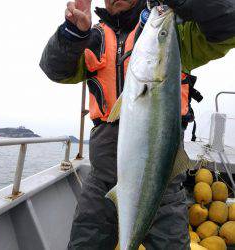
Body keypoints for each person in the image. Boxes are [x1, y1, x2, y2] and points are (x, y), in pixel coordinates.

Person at [40, 0, 235, 249]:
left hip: (162, 183)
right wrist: (73, 33)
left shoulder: (175, 33)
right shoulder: (93, 38)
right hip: (101, 180)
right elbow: (54, 69)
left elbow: (229, 23)